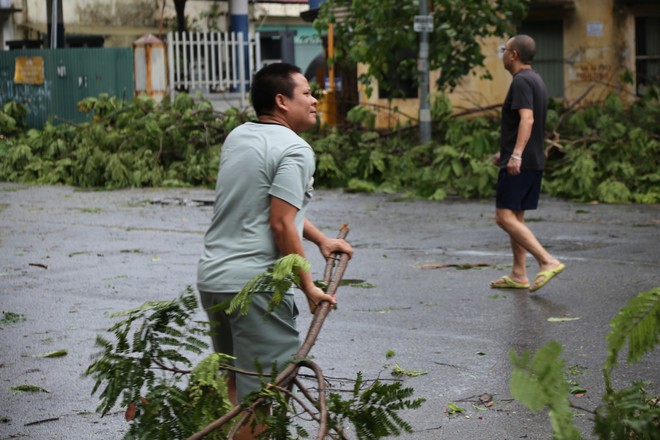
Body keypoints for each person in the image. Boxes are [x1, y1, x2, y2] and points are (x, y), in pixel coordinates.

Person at [196, 62, 353, 437]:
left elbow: (274, 208)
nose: (315, 100)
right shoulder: (296, 150)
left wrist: (320, 240)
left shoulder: (239, 136)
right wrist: (308, 286)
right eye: (307, 93)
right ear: (282, 101)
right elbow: (281, 223)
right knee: (263, 399)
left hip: (214, 280)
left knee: (237, 384)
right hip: (258, 289)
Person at [490, 35, 565, 292]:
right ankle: (519, 273)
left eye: (504, 50)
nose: (502, 54)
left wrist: (516, 155)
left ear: (513, 55)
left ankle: (547, 260)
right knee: (516, 217)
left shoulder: (521, 81)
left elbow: (528, 119)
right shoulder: (536, 79)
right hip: (532, 160)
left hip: (522, 162)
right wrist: (508, 151)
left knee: (503, 217)